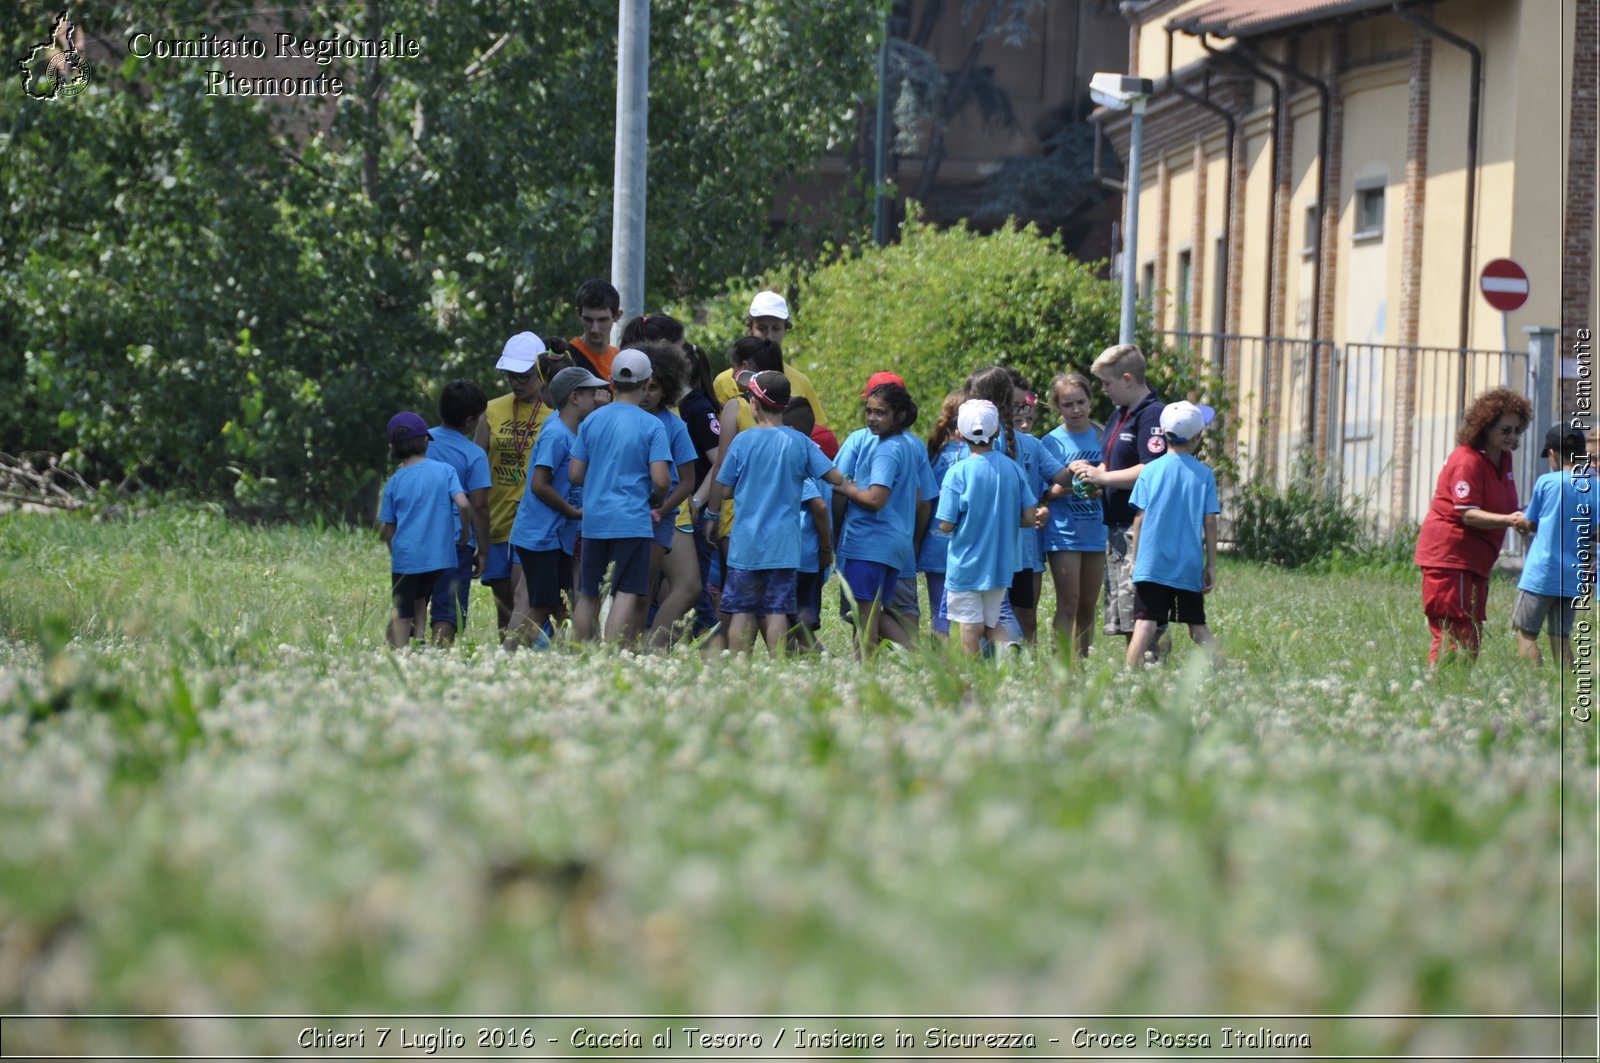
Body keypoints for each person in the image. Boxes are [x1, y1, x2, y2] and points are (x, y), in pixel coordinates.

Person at [703, 371, 843, 655]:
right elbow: (834, 477)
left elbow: (725, 488)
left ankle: (742, 668)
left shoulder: (743, 442)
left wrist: (717, 512)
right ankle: (777, 664)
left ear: (754, 403)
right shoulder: (800, 442)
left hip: (745, 545)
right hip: (783, 547)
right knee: (777, 609)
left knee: (742, 610)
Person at [1413, 387, 1533, 664]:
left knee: (1473, 631)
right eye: (1505, 430)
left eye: (1517, 430)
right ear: (1485, 426)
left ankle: (1458, 690)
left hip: (1476, 558)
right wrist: (1510, 520)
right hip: (1450, 556)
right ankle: (1439, 689)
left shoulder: (1503, 458)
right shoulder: (1467, 460)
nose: (1512, 437)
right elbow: (1468, 514)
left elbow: (1503, 504)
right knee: (1455, 630)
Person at [568, 350, 672, 645]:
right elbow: (662, 480)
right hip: (631, 521)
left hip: (595, 520)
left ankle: (580, 651)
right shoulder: (652, 425)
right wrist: (656, 498)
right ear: (648, 382)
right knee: (625, 590)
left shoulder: (591, 421)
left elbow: (575, 474)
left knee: (589, 593)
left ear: (610, 382)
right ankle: (613, 655)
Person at [1068, 344, 1167, 651]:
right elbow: (1113, 465)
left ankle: (1152, 672)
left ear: (1127, 379)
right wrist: (1094, 474)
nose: (1103, 389)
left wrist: (1105, 478)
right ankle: (1138, 673)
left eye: (1107, 382)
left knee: (1143, 612)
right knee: (1125, 614)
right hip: (1115, 528)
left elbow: (1153, 469)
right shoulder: (1118, 414)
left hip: (1139, 528)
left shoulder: (1152, 414)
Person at [502, 367, 609, 651]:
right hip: (539, 536)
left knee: (557, 602)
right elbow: (539, 483)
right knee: (540, 605)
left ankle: (571, 653)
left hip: (554, 536)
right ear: (575, 398)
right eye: (590, 394)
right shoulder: (556, 434)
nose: (598, 397)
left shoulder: (575, 432)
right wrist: (571, 512)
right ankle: (505, 656)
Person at [476, 332, 571, 636]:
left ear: (541, 374)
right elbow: (477, 463)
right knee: (503, 598)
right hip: (497, 518)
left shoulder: (557, 413)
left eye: (524, 376)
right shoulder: (490, 410)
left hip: (537, 521)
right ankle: (509, 654)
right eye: (510, 376)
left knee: (528, 595)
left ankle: (539, 651)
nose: (516, 382)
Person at [1125, 401, 1221, 667]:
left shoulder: (1150, 471)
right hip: (1187, 565)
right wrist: (1211, 564)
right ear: (1197, 436)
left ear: (1163, 434)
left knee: (1144, 624)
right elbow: (1210, 520)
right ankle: (1224, 670)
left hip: (1152, 564)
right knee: (1197, 627)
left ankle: (1127, 675)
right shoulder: (1204, 475)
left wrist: (1134, 561)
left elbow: (1139, 517)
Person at [835, 382, 927, 656]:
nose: (872, 418)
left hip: (870, 543)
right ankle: (920, 659)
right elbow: (920, 496)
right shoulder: (907, 445)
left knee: (865, 617)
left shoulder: (886, 450)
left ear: (899, 416)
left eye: (881, 413)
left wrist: (845, 486)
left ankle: (869, 673)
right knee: (875, 613)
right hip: (895, 543)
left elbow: (876, 498)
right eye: (869, 411)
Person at [935, 400, 1034, 656]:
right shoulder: (1013, 469)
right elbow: (1028, 516)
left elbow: (946, 524)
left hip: (966, 565)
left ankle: (971, 671)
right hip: (1001, 565)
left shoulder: (957, 473)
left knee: (970, 624)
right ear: (997, 432)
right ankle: (1008, 648)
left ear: (959, 435)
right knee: (993, 622)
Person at [378, 412, 470, 649]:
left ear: (393, 448)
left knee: (402, 610)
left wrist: (393, 551)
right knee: (420, 598)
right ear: (426, 441)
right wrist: (466, 533)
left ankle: (401, 653)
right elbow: (463, 504)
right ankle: (419, 642)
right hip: (440, 557)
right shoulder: (445, 471)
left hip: (407, 557)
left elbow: (389, 528)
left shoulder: (394, 482)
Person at [633, 340, 701, 649]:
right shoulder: (620, 417)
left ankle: (652, 645)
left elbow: (687, 480)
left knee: (688, 585)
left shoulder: (674, 425)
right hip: (627, 514)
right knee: (636, 590)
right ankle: (631, 647)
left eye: (654, 387)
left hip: (666, 516)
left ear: (667, 389)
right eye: (642, 386)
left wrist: (662, 510)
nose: (647, 394)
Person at [1513, 425, 1595, 668]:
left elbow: (1531, 522)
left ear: (1553, 453)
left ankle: (1533, 688)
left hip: (1542, 572)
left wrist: (1520, 521)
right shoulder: (1595, 487)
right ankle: (1569, 691)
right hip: (1573, 576)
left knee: (1525, 632)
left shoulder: (1547, 482)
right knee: (1561, 638)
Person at [1041, 372, 1107, 658]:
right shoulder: (1050, 442)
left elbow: (1114, 477)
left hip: (1096, 528)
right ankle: (1060, 663)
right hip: (1063, 531)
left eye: (1081, 402)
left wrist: (1101, 488)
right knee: (1068, 602)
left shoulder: (1103, 435)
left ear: (1091, 402)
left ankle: (1083, 661)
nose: (1076, 410)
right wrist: (1070, 487)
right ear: (1058, 408)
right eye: (1068, 405)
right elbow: (1044, 490)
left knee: (1088, 605)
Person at [425, 381, 492, 646]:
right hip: (456, 541)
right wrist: (483, 551)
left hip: (418, 535)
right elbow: (479, 506)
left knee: (413, 599)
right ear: (469, 421)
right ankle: (439, 657)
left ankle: (405, 654)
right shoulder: (474, 454)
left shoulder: (422, 441)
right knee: (447, 609)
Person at [710, 291, 829, 431]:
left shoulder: (801, 382)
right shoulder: (724, 382)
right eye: (762, 328)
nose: (769, 336)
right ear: (750, 328)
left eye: (776, 328)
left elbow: (818, 435)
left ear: (786, 330)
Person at [919, 390, 967, 639]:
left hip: (936, 542)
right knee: (972, 613)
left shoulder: (935, 455)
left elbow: (925, 500)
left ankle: (940, 664)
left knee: (939, 613)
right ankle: (973, 662)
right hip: (968, 545)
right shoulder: (980, 455)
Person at [569, 278, 624, 380]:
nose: (594, 329)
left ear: (617, 315)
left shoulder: (621, 360)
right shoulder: (567, 358)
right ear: (578, 314)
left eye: (602, 320)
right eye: (588, 319)